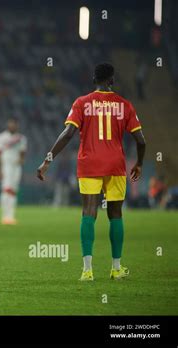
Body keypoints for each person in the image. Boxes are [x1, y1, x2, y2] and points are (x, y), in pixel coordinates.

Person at [36, 63, 146, 281]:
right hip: (115, 164)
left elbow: (68, 134)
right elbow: (141, 140)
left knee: (88, 212)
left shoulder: (82, 103)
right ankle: (116, 268)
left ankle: (87, 270)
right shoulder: (125, 105)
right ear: (112, 80)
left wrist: (47, 160)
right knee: (115, 214)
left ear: (93, 80)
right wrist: (139, 163)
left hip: (89, 164)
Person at [0, 118, 27, 224]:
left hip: (16, 167)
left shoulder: (21, 138)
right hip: (6, 165)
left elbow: (22, 153)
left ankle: (11, 216)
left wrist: (21, 160)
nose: (12, 125)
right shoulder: (2, 137)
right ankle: (4, 215)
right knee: (6, 189)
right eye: (10, 123)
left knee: (13, 190)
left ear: (17, 125)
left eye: (14, 123)